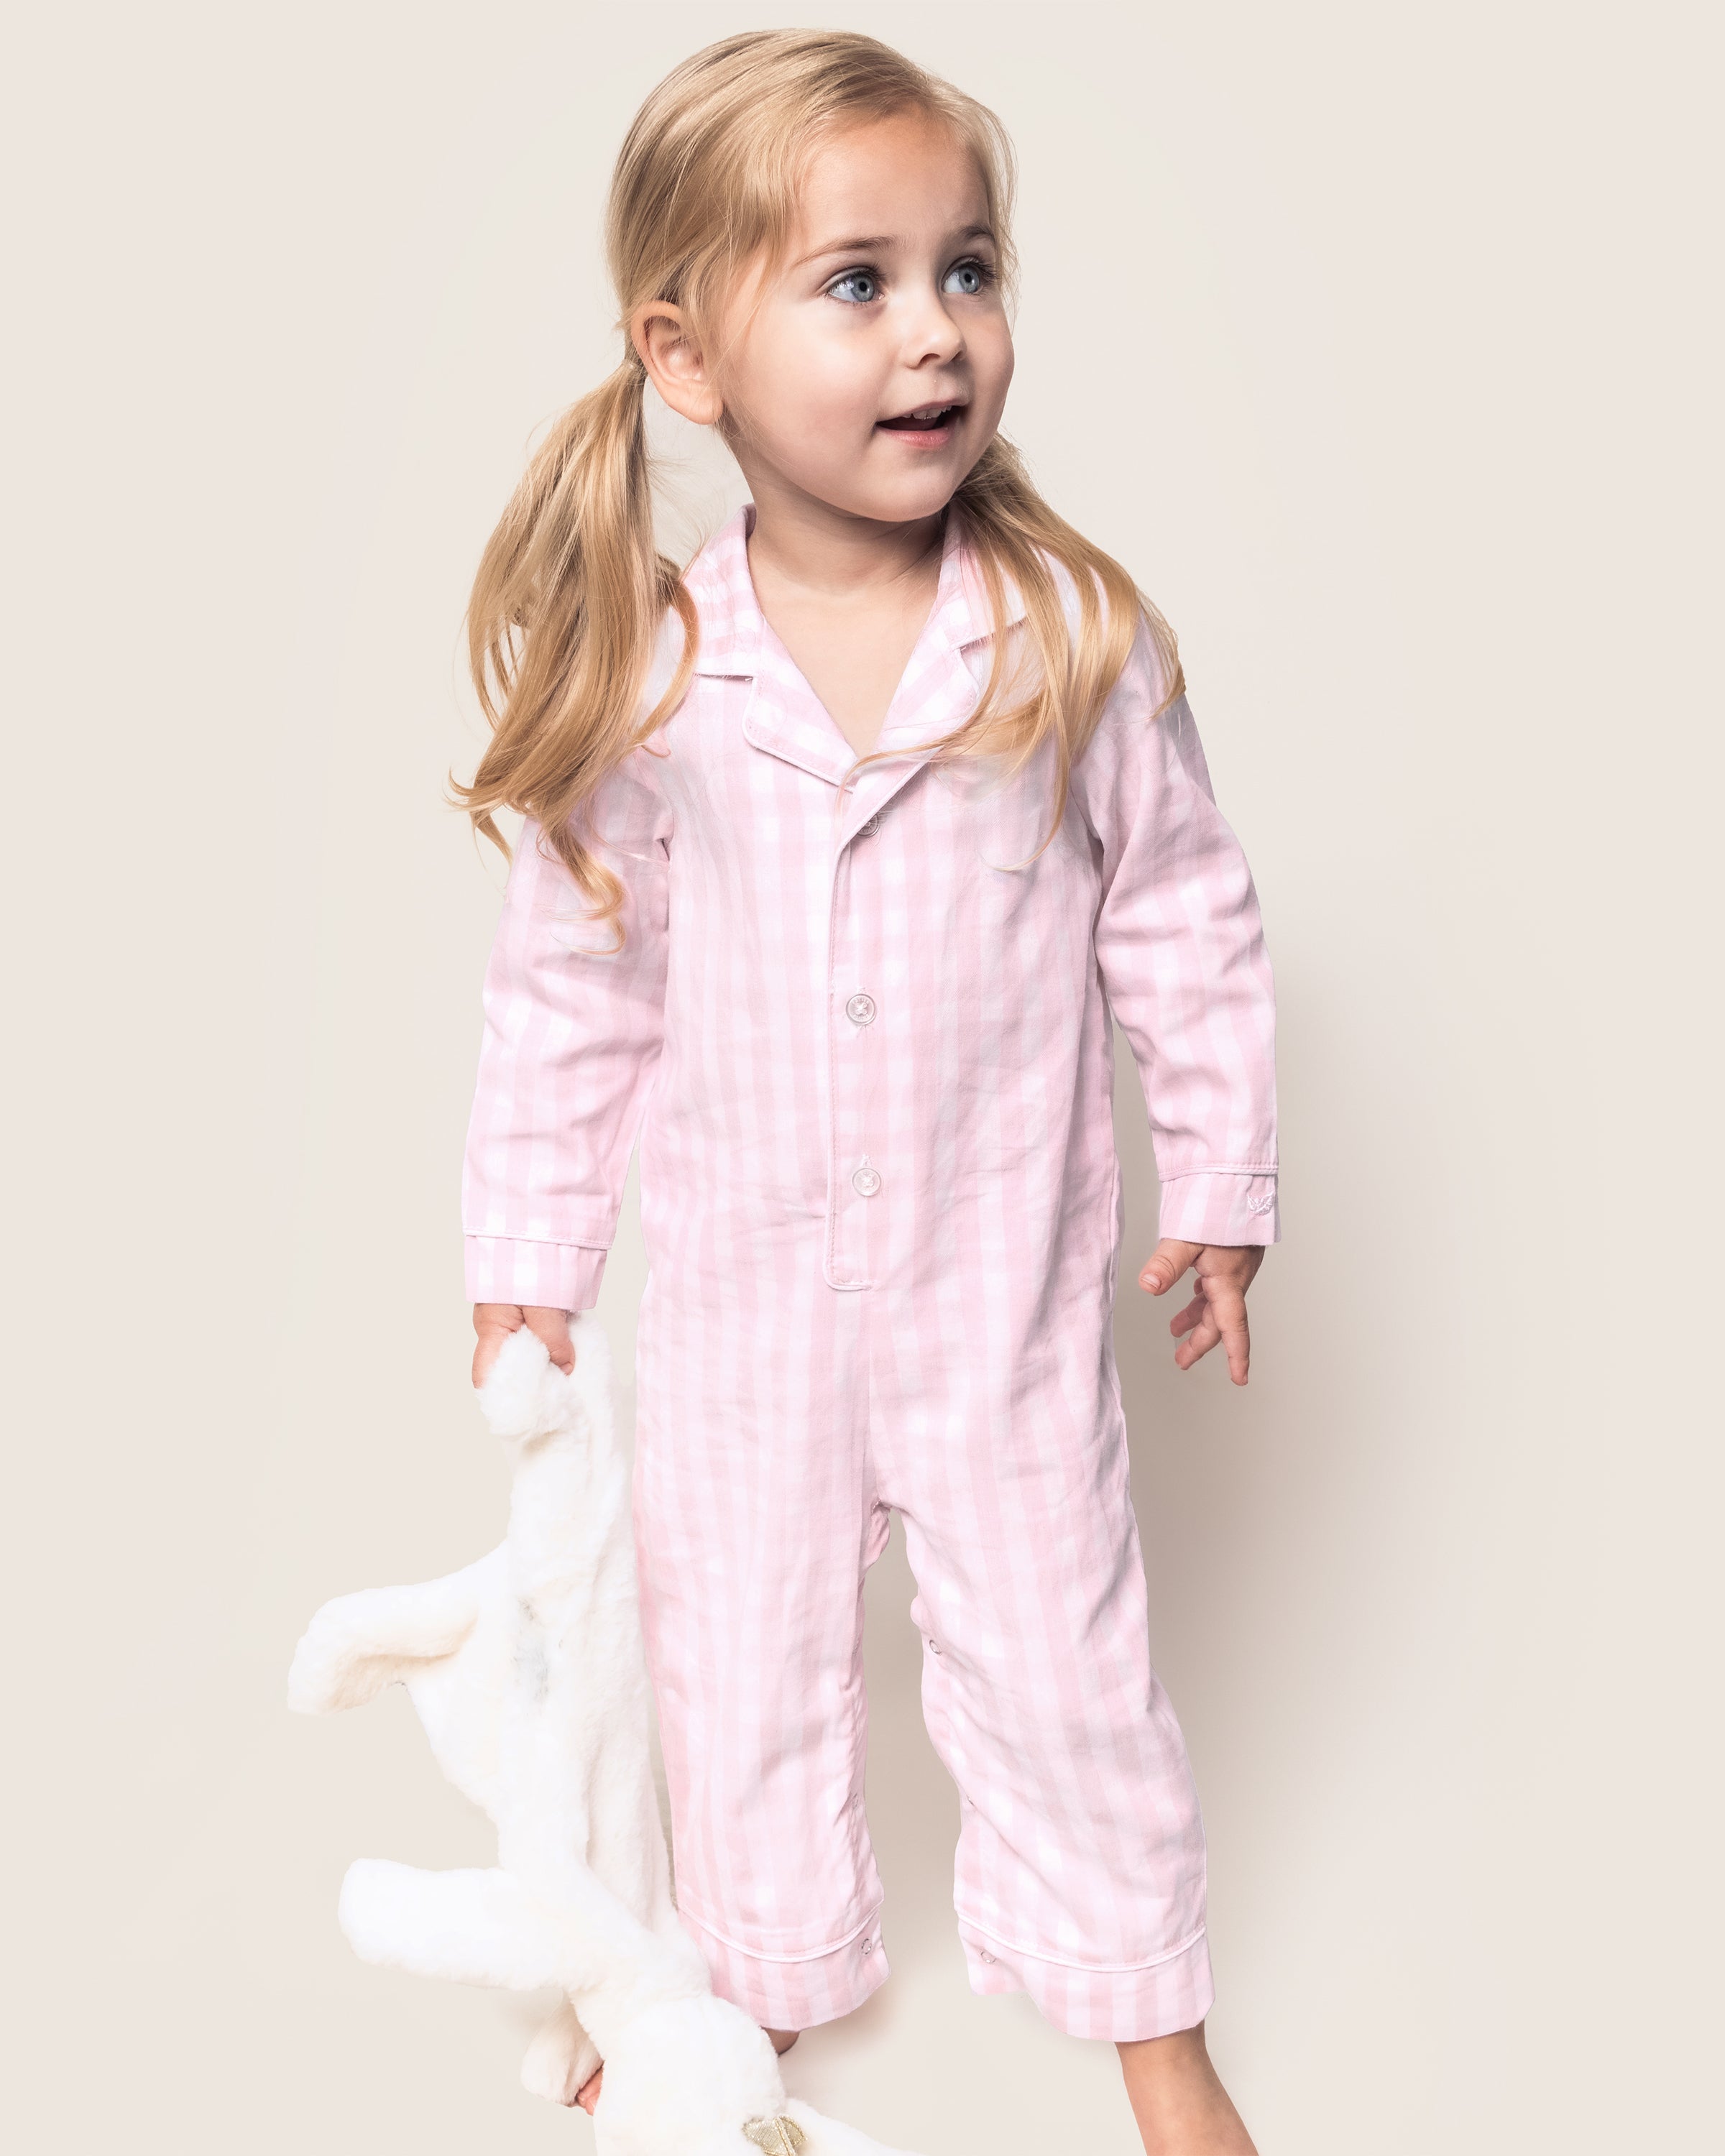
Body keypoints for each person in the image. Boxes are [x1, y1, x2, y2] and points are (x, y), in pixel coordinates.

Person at [458, 30, 1275, 2156]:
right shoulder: (652, 666)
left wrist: (1222, 1177)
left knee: (1069, 1674)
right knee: (737, 1679)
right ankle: (754, 2008)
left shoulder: (1070, 639)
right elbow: (570, 989)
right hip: (744, 1313)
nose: (935, 335)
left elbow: (1182, 917)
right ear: (687, 352)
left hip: (997, 1302)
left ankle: (1157, 2043)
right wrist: (525, 1263)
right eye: (857, 283)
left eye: (969, 271)